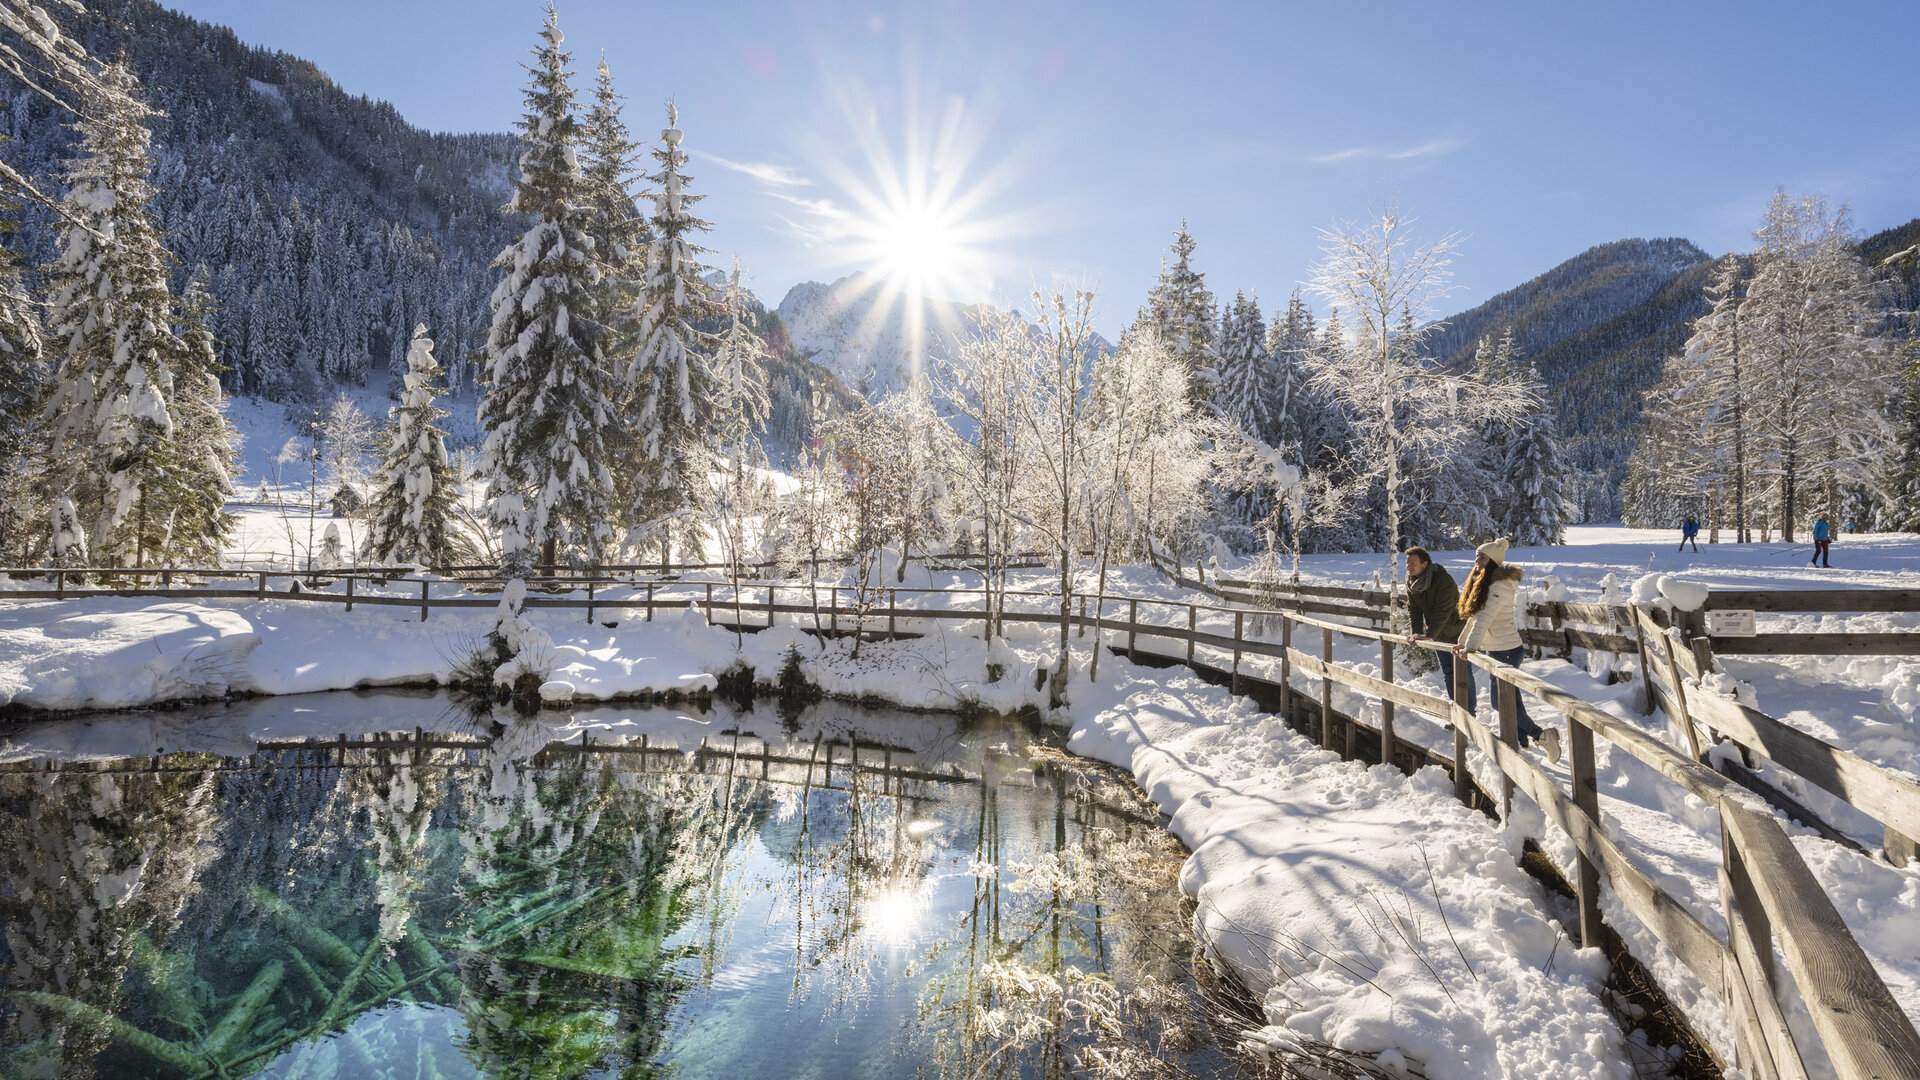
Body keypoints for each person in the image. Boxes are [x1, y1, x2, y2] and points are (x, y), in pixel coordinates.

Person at [1452, 537, 1562, 764]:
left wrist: (1470, 648)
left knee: (1499, 702)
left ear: (1493, 561)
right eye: (1477, 556)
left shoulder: (1499, 586)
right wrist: (1462, 643)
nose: (1477, 561)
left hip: (1507, 651)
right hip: (1500, 649)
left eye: (1482, 557)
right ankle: (1520, 741)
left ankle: (1542, 736)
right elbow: (1474, 618)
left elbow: (1485, 619)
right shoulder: (1486, 583)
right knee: (1511, 701)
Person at [1404, 546, 1472, 710]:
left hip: (1457, 631)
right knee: (1448, 673)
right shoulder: (1412, 582)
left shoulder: (1443, 580)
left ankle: (1470, 711)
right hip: (1439, 633)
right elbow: (1414, 609)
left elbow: (1444, 610)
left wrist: (1430, 635)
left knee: (1462, 673)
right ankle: (1456, 711)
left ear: (1425, 564)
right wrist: (1417, 633)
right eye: (1407, 563)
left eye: (1413, 563)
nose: (1409, 566)